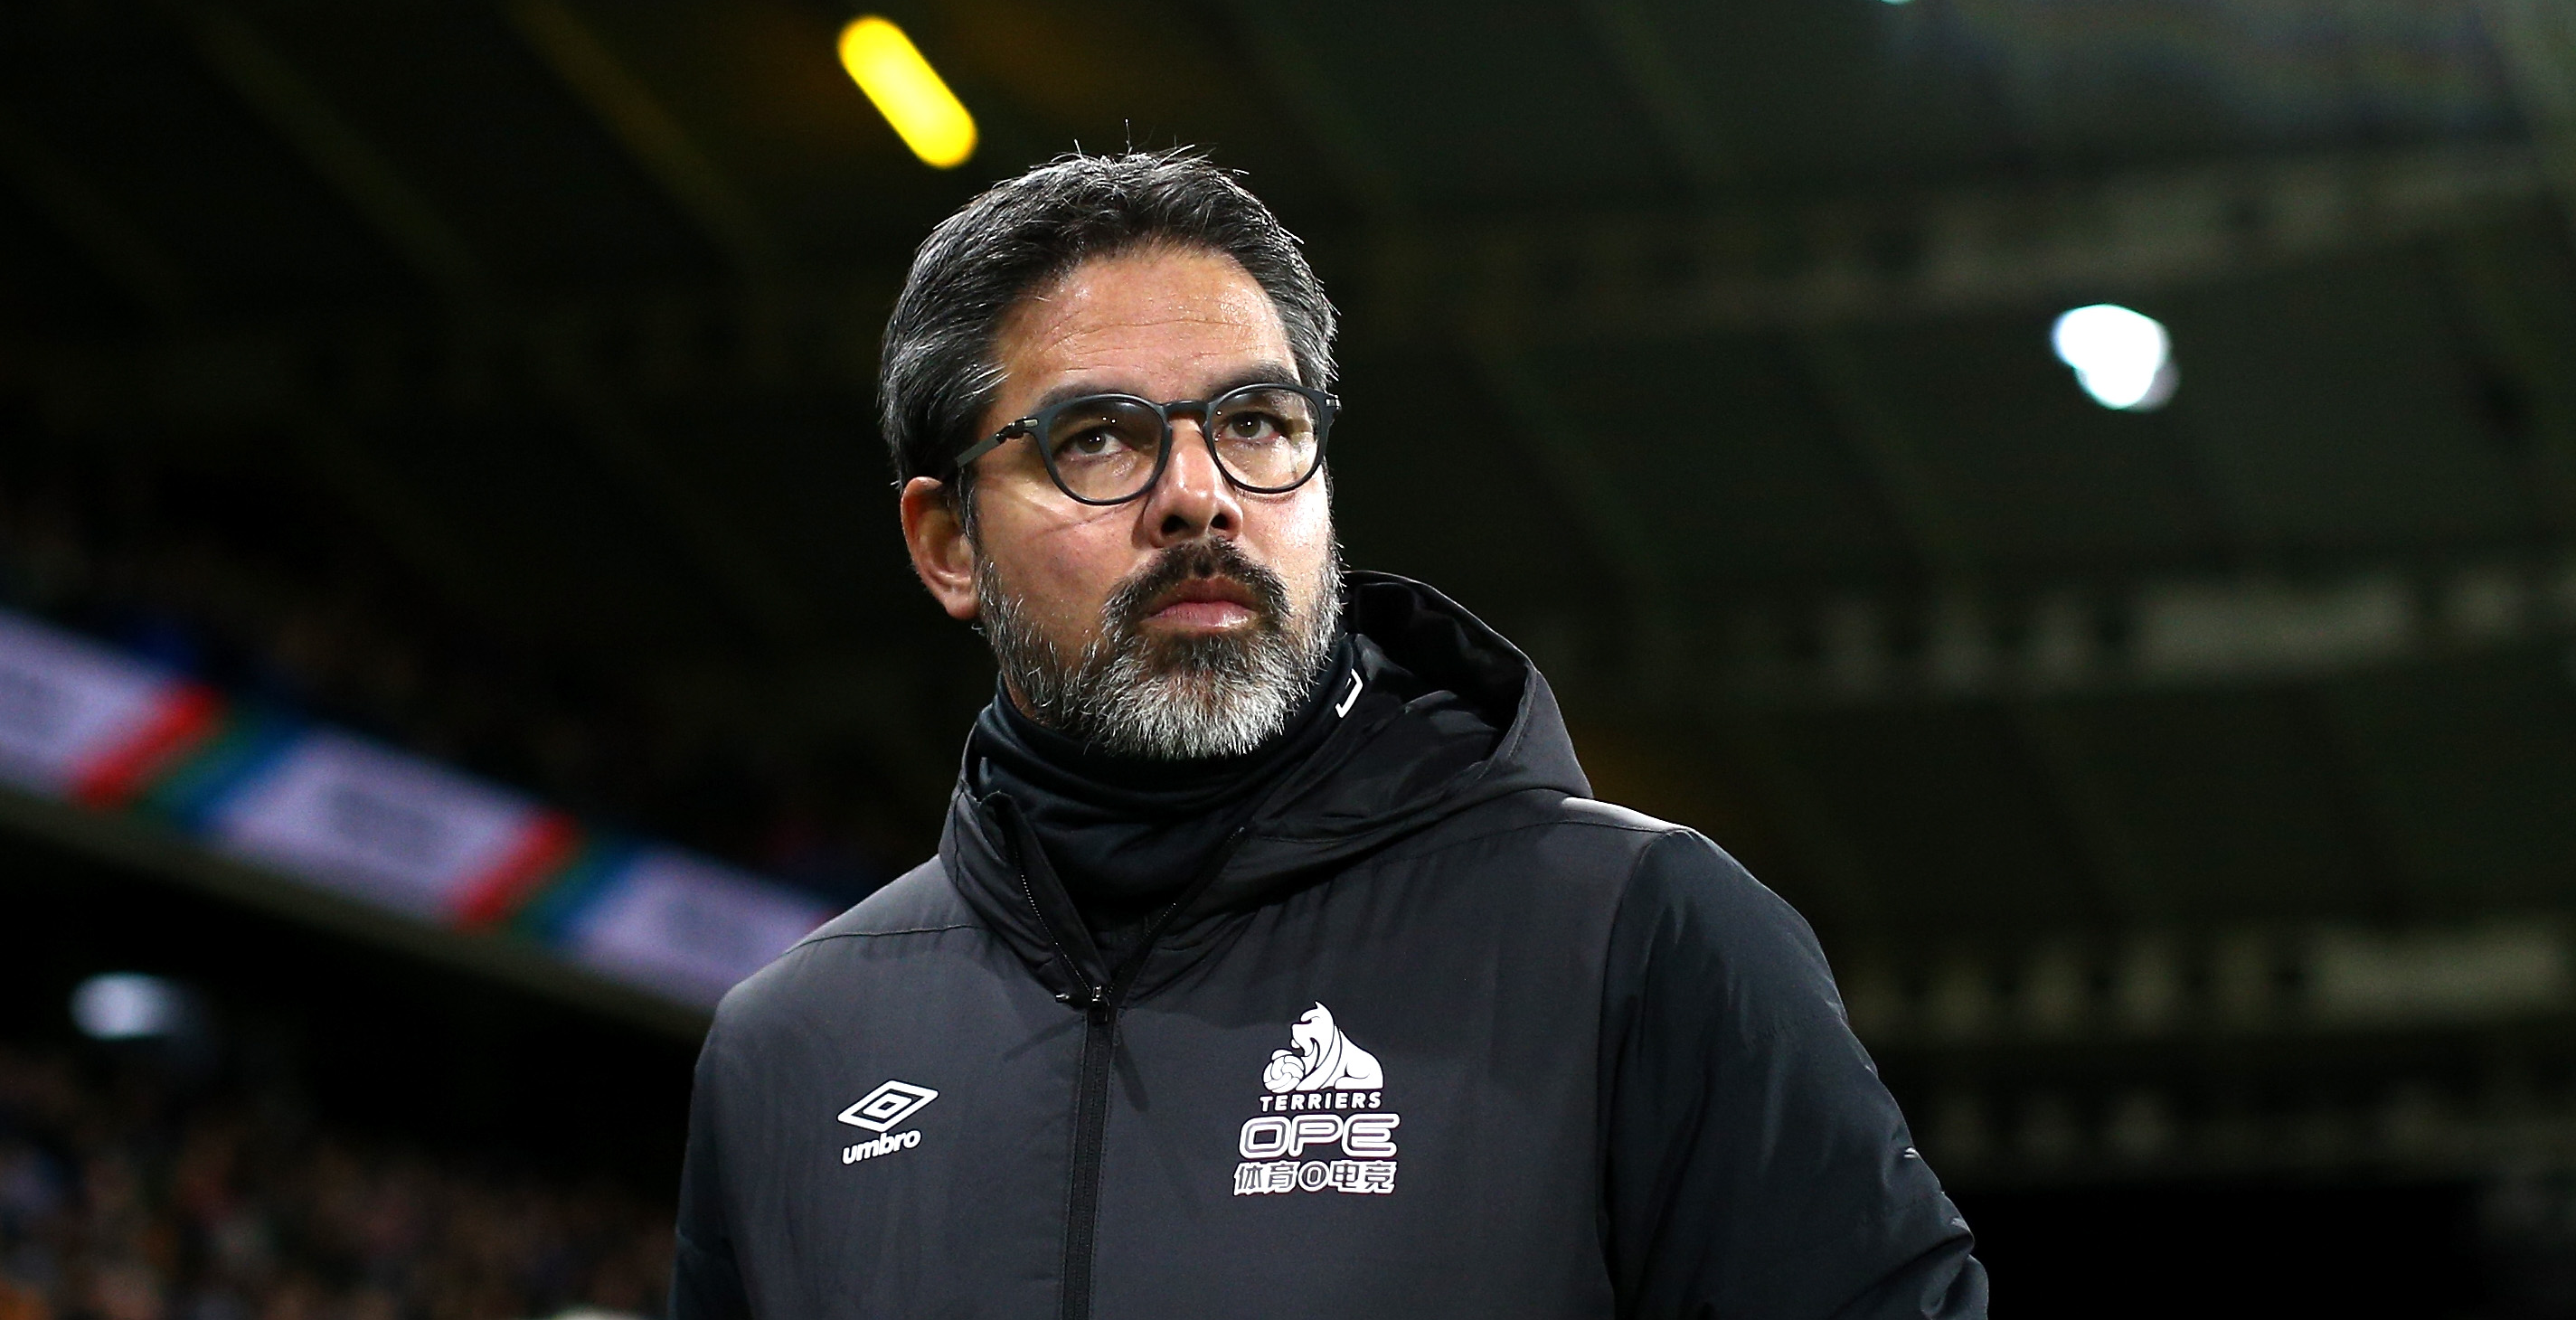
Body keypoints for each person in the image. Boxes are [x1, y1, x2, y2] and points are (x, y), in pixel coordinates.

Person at [668, 150, 1987, 1320]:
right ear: (948, 545)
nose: (1200, 499)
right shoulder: (794, 1049)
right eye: (1098, 440)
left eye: (1255, 425)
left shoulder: (1637, 936)